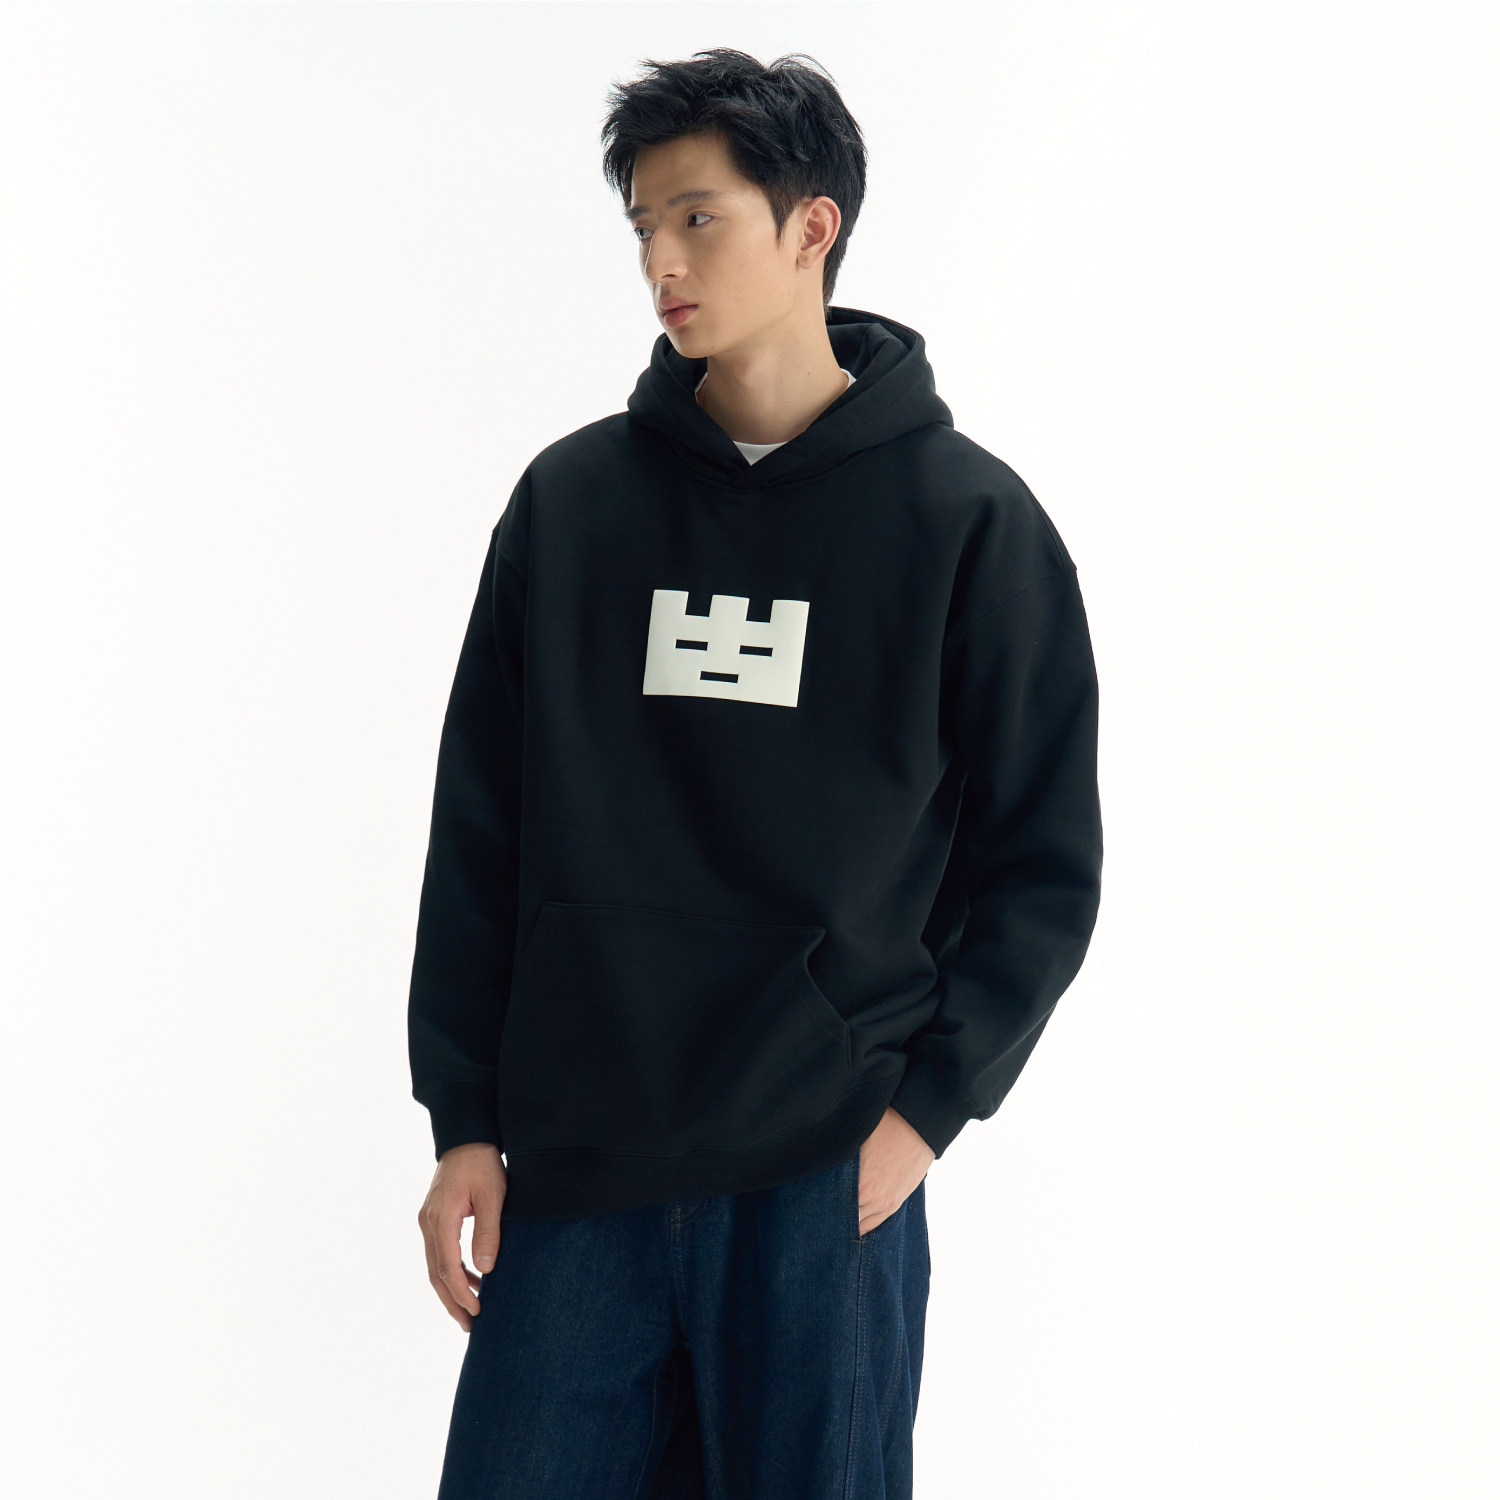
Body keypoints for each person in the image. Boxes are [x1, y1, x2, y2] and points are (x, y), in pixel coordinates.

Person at [407, 46, 1103, 1499]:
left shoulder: (968, 525)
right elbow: (482, 825)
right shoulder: (573, 505)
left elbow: (1041, 863)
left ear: (811, 227)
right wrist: (463, 1114)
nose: (660, 262)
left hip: (820, 1178)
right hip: (580, 1163)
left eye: (698, 217)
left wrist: (928, 1113)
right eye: (643, 227)